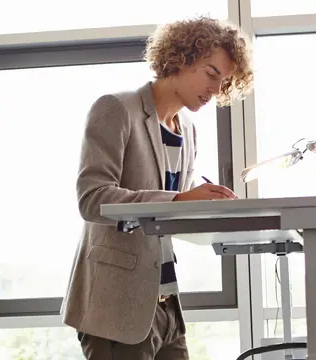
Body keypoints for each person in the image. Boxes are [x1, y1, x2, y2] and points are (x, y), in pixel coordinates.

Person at [61, 16, 254, 360]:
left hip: (167, 307)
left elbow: (173, 216)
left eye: (224, 82)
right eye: (211, 74)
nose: (215, 89)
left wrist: (219, 214)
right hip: (117, 308)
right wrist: (179, 198)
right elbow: (92, 199)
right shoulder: (116, 109)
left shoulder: (189, 131)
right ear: (180, 58)